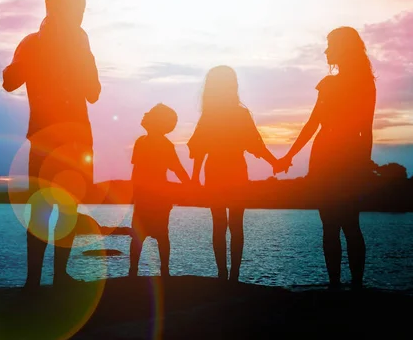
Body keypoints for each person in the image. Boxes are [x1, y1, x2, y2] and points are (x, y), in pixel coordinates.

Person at [2, 0, 100, 289]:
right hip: (58, 138)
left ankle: (44, 280)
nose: (79, 16)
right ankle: (41, 280)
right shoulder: (40, 43)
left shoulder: (55, 43)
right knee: (52, 208)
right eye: (78, 11)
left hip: (59, 138)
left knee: (52, 208)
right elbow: (94, 92)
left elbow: (92, 91)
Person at [277, 27, 377, 289]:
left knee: (347, 224)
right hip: (325, 155)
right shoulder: (330, 84)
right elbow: (313, 124)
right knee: (332, 224)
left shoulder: (363, 84)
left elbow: (366, 128)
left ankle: (354, 285)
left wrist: (362, 166)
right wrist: (288, 155)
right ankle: (337, 285)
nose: (326, 50)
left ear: (345, 48)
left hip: (346, 157)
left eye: (331, 45)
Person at [188, 65, 281, 282]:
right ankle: (233, 276)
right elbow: (255, 144)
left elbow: (199, 149)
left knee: (219, 225)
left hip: (215, 171)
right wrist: (275, 162)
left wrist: (194, 178)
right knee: (235, 225)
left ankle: (223, 274)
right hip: (236, 170)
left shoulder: (209, 115)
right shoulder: (239, 114)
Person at [129, 103, 191, 278]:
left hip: (157, 198)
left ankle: (163, 271)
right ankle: (133, 271)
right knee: (141, 236)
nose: (145, 114)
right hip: (144, 197)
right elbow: (136, 171)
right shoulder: (141, 142)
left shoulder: (164, 145)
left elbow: (178, 169)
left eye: (149, 113)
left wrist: (190, 184)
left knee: (160, 235)